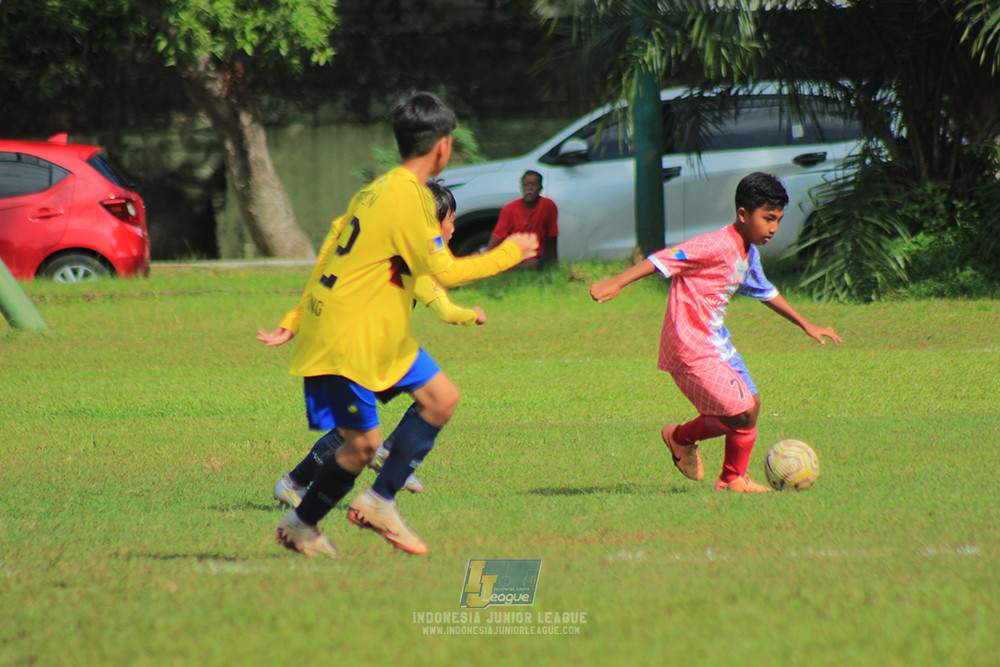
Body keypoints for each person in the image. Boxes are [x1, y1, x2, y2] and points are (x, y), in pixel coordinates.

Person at [257, 92, 538, 557]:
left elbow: (331, 253)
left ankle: (375, 501)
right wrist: (510, 252)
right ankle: (303, 521)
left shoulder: (377, 189)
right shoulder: (408, 198)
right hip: (351, 337)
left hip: (378, 336)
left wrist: (293, 316)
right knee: (362, 446)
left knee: (440, 398)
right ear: (443, 146)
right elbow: (443, 270)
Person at [590, 172, 841, 493]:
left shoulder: (747, 254)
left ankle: (731, 477)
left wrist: (807, 324)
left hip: (716, 344)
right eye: (767, 219)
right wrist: (616, 283)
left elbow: (765, 291)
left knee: (751, 406)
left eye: (778, 219)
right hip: (690, 345)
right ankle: (681, 439)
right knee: (739, 411)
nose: (774, 228)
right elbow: (662, 258)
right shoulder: (714, 245)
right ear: (742, 214)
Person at [271, 179, 483, 506]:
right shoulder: (410, 260)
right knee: (422, 401)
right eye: (449, 219)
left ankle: (297, 482)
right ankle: (297, 482)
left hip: (362, 346)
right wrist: (473, 314)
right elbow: (446, 310)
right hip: (352, 349)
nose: (453, 228)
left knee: (375, 419)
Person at [485, 170, 558, 268]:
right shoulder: (509, 209)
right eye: (526, 185)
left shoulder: (548, 206)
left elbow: (552, 235)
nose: (529, 188)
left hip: (531, 257)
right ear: (521, 187)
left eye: (533, 185)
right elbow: (498, 236)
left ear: (540, 188)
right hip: (510, 254)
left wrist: (554, 262)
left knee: (533, 264)